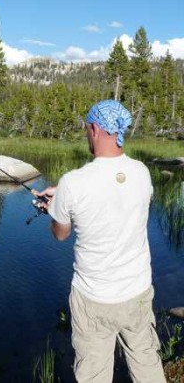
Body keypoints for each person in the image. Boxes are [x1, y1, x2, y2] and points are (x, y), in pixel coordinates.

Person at [33, 99, 164, 383]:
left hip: (94, 298)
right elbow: (115, 198)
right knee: (146, 363)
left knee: (93, 375)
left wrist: (55, 210)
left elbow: (61, 233)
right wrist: (64, 199)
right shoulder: (142, 172)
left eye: (86, 129)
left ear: (94, 128)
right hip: (138, 292)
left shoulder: (73, 182)